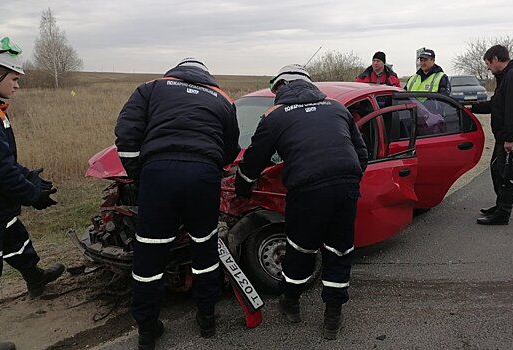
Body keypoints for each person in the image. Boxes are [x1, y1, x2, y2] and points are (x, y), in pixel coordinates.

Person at [234, 64, 368, 340]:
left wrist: (243, 189)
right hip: (346, 185)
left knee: (299, 248)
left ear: (280, 88)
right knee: (339, 250)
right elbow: (361, 154)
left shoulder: (275, 117)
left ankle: (291, 303)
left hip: (307, 191)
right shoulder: (336, 109)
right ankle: (333, 316)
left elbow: (253, 161)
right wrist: (348, 182)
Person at [115, 57, 240, 349]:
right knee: (204, 246)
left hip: (158, 173)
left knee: (149, 253)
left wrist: (140, 177)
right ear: (206, 76)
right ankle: (206, 318)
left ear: (175, 72)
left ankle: (147, 329)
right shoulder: (222, 98)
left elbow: (126, 132)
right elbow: (231, 147)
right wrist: (209, 167)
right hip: (203, 176)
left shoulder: (150, 88)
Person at [0, 37, 63, 350]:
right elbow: (2, 174)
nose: (18, 85)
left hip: (3, 208)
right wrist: (33, 195)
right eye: (14, 78)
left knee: (14, 239)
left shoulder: (1, 111)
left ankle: (35, 278)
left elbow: (7, 162)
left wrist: (30, 178)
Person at [471, 45, 513, 225]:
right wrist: (472, 107)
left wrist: (510, 138)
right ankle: (500, 207)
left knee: (506, 174)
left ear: (496, 59)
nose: (488, 67)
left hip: (511, 137)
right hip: (505, 135)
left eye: (488, 63)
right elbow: (497, 104)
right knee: (498, 171)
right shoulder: (506, 77)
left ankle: (502, 214)